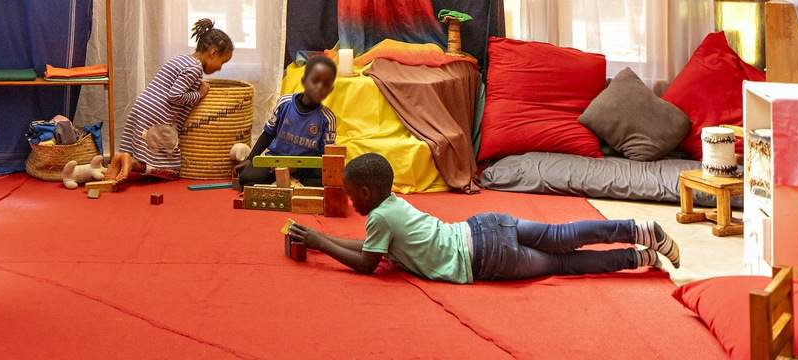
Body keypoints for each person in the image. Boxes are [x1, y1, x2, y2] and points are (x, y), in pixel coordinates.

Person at [287, 152, 679, 282]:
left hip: (485, 258)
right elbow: (370, 248)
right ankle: (640, 230)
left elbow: (366, 263)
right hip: (485, 225)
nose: (350, 202)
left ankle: (636, 257)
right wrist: (321, 242)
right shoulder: (393, 205)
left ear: (366, 193)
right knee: (561, 234)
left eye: (351, 195)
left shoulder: (378, 219)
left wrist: (321, 242)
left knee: (563, 263)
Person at [106, 18, 233, 182]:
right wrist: (199, 94)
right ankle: (133, 163)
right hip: (157, 113)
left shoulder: (181, 59)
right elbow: (174, 96)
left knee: (143, 148)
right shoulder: (195, 69)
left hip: (142, 105)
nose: (220, 68)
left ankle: (120, 160)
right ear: (213, 52)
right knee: (171, 170)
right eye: (222, 62)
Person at [235, 54, 338, 189]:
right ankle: (289, 183)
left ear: (330, 90)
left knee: (329, 181)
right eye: (315, 81)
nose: (320, 87)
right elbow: (268, 133)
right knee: (246, 178)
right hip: (276, 161)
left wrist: (297, 167)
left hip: (305, 168)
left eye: (326, 84)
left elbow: (327, 155)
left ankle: (286, 182)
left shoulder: (328, 118)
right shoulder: (285, 103)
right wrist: (250, 159)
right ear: (304, 81)